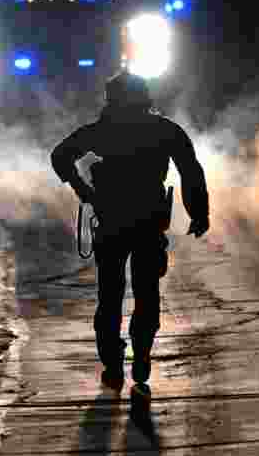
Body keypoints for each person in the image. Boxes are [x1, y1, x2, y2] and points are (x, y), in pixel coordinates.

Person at [51, 71, 210, 396]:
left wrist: (83, 189)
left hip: (113, 223)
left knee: (110, 294)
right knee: (146, 292)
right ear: (145, 98)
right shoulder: (165, 130)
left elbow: (61, 156)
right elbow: (190, 171)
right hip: (148, 224)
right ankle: (141, 355)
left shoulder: (102, 131)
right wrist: (198, 212)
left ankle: (112, 360)